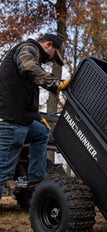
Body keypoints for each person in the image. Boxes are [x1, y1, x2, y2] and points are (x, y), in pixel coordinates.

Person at [0, 33, 70, 199]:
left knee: (41, 132)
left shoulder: (34, 57)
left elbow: (23, 93)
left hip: (22, 118)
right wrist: (54, 83)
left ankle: (36, 176)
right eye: (54, 56)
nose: (53, 61)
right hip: (11, 120)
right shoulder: (28, 49)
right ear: (48, 45)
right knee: (2, 170)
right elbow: (27, 66)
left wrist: (37, 117)